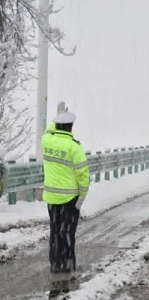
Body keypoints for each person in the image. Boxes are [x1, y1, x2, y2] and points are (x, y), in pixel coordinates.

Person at [41, 110, 90, 297]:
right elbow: (83, 176)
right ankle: (67, 275)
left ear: (56, 125)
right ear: (71, 127)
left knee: (55, 235)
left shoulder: (47, 141)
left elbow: (48, 130)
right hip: (70, 200)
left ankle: (55, 271)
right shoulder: (74, 147)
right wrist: (82, 198)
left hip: (52, 199)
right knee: (67, 235)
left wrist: (56, 116)